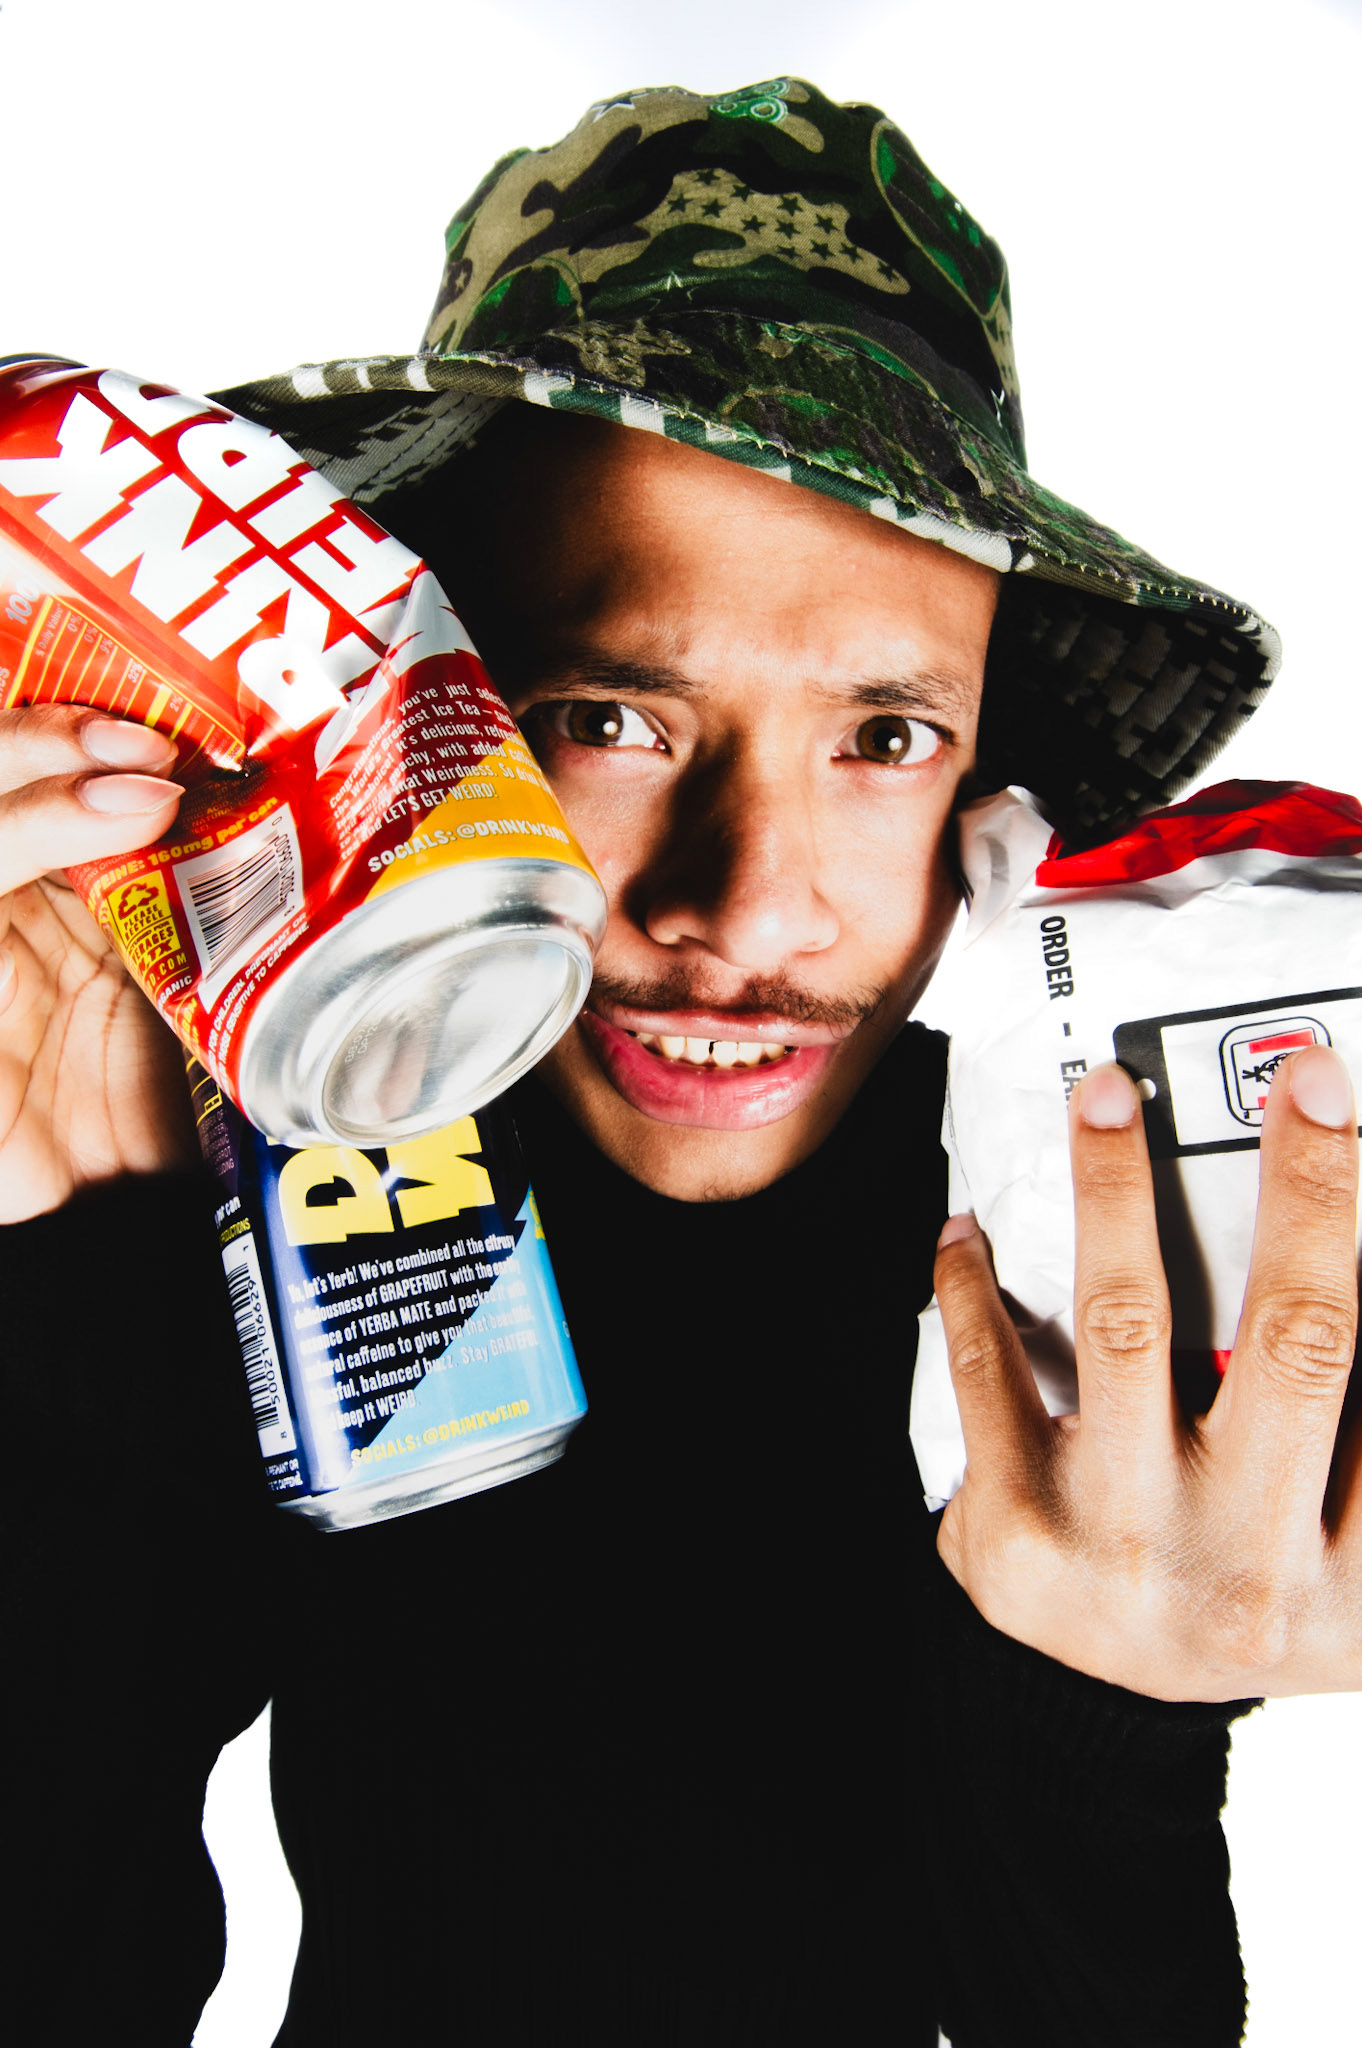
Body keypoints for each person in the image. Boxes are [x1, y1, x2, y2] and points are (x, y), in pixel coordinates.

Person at [5, 79, 1358, 2047]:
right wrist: (56, 1325)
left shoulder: (1110, 1220)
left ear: (987, 760)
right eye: (612, 715)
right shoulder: (281, 1156)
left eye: (882, 737)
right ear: (430, 714)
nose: (751, 909)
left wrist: (1111, 1707)